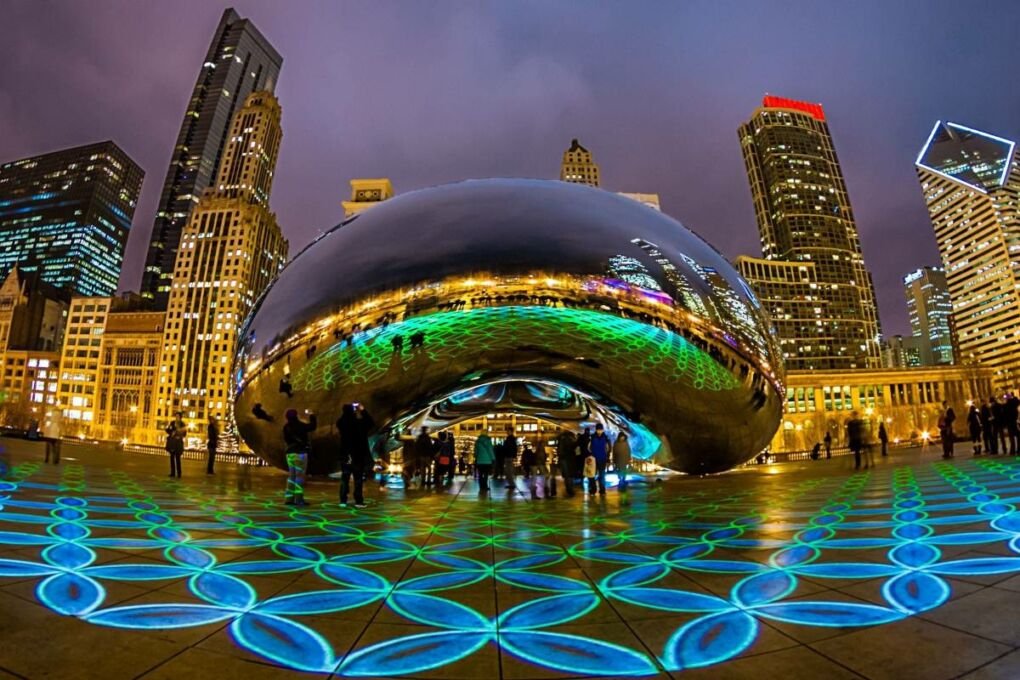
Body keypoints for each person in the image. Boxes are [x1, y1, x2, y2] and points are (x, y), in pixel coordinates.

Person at [337, 403, 374, 508]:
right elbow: (370, 423)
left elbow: (342, 419)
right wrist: (362, 410)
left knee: (345, 477)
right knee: (358, 478)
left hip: (345, 455)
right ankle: (358, 501)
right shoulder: (359, 423)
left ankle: (343, 500)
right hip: (358, 455)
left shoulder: (341, 423)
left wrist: (348, 410)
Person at [283, 408, 317, 506]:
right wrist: (312, 415)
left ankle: (289, 499)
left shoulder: (286, 427)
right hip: (300, 453)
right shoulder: (300, 425)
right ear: (296, 415)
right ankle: (299, 499)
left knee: (291, 476)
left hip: (290, 454)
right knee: (299, 477)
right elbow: (312, 426)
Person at [588, 424, 611, 496]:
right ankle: (593, 490)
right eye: (598, 429)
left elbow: (608, 449)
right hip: (594, 459)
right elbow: (588, 448)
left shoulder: (606, 438)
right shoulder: (592, 437)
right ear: (596, 429)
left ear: (603, 429)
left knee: (602, 476)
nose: (599, 431)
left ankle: (602, 491)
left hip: (602, 459)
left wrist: (607, 458)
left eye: (600, 429)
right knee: (592, 475)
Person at [554, 430, 576, 498]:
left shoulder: (561, 440)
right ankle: (570, 490)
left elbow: (559, 451)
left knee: (567, 476)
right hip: (569, 459)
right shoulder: (570, 440)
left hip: (564, 459)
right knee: (570, 475)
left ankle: (569, 490)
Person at [165, 411, 186, 478]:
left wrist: (179, 435)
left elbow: (185, 434)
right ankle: (172, 473)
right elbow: (168, 430)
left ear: (180, 417)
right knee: (172, 458)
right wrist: (171, 432)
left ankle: (179, 473)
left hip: (178, 443)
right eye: (176, 416)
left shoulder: (182, 424)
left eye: (178, 416)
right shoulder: (172, 423)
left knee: (177, 458)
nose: (176, 418)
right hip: (172, 443)